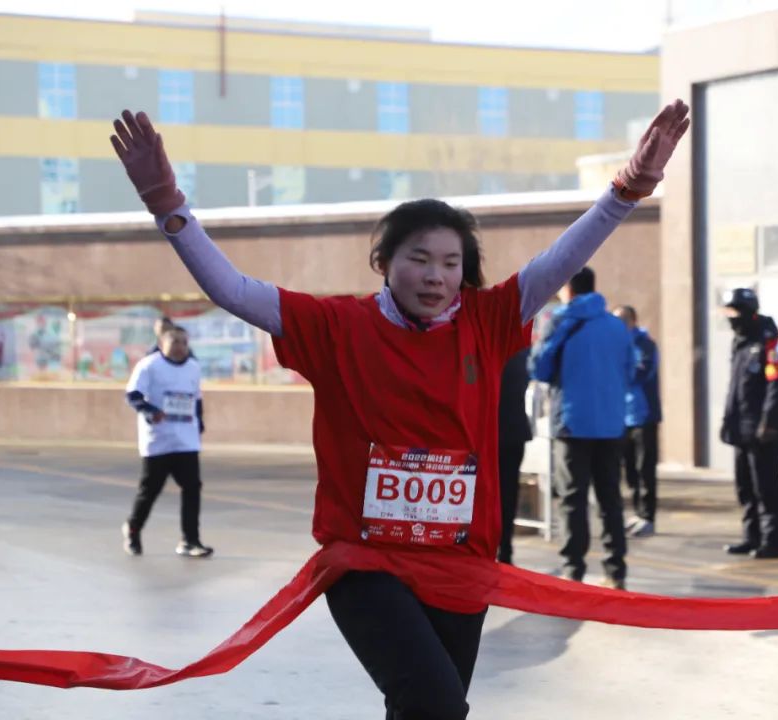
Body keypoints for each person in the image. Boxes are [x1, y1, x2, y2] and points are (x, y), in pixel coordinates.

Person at [109, 101, 688, 718]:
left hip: (462, 566)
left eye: (450, 263)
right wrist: (166, 202)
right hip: (366, 561)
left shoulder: (488, 322)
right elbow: (232, 289)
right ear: (383, 263)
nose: (436, 276)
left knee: (424, 712)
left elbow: (563, 259)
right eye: (419, 258)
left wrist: (630, 188)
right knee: (435, 704)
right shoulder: (335, 326)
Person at [529, 267, 633, 590]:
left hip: (572, 423)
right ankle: (616, 571)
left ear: (568, 289)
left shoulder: (560, 322)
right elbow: (629, 371)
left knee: (572, 500)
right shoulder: (617, 327)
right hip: (611, 423)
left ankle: (573, 569)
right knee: (610, 499)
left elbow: (540, 369)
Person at [122, 325, 212, 558]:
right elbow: (132, 395)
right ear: (163, 344)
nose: (181, 347)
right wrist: (152, 411)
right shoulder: (149, 365)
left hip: (186, 440)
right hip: (158, 440)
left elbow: (197, 399)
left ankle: (190, 540)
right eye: (175, 342)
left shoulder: (193, 367)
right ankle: (133, 529)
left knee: (192, 488)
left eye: (184, 342)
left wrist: (199, 423)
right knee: (150, 490)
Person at [718, 288, 778, 559]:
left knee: (766, 487)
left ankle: (772, 541)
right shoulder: (740, 341)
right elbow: (735, 388)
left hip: (762, 430)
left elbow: (776, 386)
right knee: (745, 487)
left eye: (734, 312)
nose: (731, 318)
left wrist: (768, 423)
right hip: (741, 427)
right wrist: (728, 420)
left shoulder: (769, 343)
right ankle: (751, 537)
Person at [612, 305, 662, 538]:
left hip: (643, 416)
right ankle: (637, 512)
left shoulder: (644, 344)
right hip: (623, 417)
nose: (618, 324)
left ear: (632, 320)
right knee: (630, 469)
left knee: (645, 468)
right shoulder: (616, 343)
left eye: (622, 319)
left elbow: (640, 373)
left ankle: (648, 516)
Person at [497, 348, 532, 565]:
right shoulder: (520, 352)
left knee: (483, 497)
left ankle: (494, 548)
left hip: (487, 433)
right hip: (513, 431)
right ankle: (506, 551)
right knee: (508, 495)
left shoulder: (483, 348)